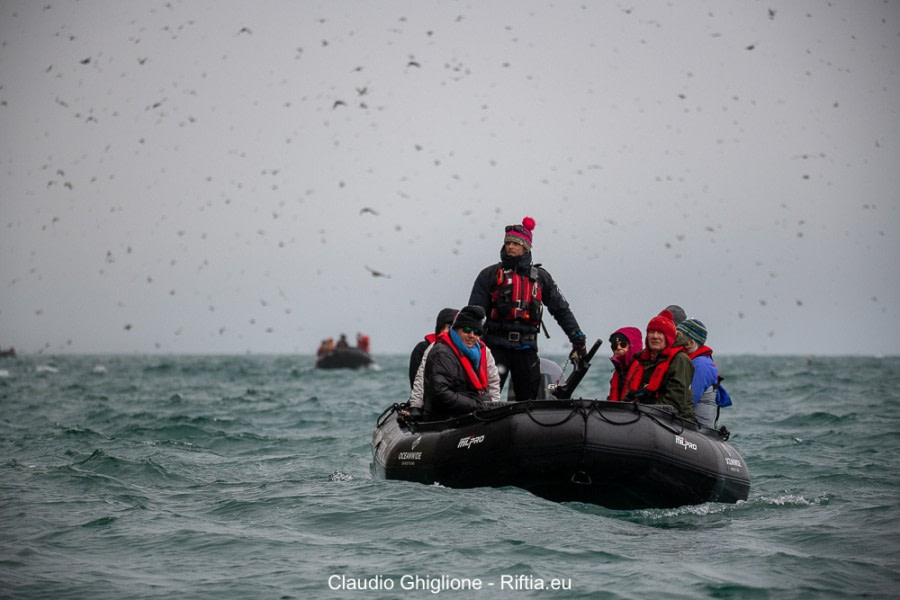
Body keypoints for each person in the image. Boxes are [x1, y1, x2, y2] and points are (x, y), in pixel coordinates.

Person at [468, 216, 586, 401]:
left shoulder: (541, 278)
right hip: (494, 348)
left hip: (526, 348)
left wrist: (577, 338)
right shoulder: (489, 274)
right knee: (485, 397)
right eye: (508, 243)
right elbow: (473, 313)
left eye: (516, 243)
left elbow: (561, 309)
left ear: (526, 247)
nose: (511, 247)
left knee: (529, 400)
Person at [422, 305, 496, 420]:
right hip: (442, 418)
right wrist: (477, 405)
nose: (471, 335)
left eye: (476, 332)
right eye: (466, 330)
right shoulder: (442, 353)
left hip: (463, 414)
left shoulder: (475, 353)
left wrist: (489, 406)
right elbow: (441, 392)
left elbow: (492, 384)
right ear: (456, 329)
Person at [622, 310, 694, 420]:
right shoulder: (644, 360)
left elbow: (675, 402)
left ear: (668, 337)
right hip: (645, 415)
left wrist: (642, 411)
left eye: (660, 333)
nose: (655, 336)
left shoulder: (680, 360)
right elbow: (630, 396)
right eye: (651, 332)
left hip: (676, 419)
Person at [677, 318, 721, 428]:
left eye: (678, 335)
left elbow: (689, 400)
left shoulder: (702, 365)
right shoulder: (687, 360)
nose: (673, 339)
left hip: (698, 428)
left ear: (691, 343)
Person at [409, 308, 457, 387]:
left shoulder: (466, 351)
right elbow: (416, 383)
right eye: (442, 327)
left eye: (449, 327)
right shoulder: (422, 349)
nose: (444, 331)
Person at [606, 327, 643, 401]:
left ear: (632, 345)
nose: (618, 348)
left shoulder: (645, 368)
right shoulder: (618, 371)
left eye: (623, 344)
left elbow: (647, 393)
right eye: (615, 346)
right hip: (618, 410)